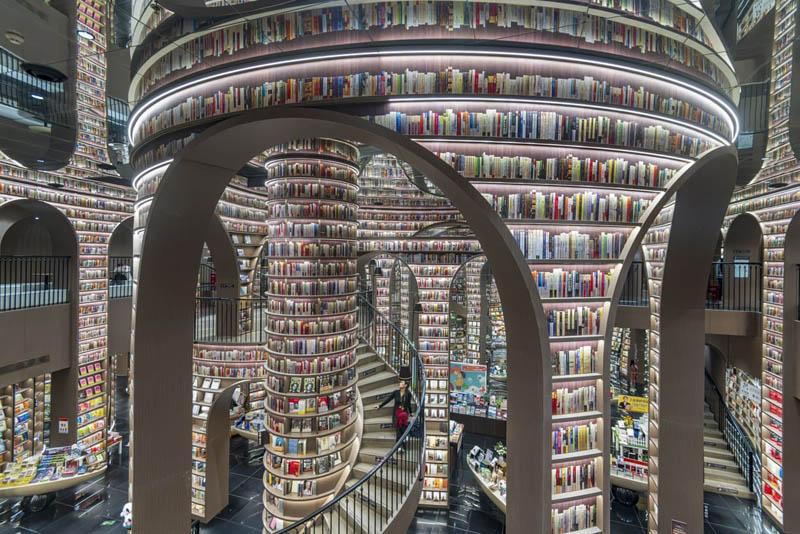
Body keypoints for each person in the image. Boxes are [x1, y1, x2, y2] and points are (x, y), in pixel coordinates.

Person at [375, 379, 412, 451]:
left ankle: (400, 447)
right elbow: (388, 399)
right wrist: (380, 405)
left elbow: (408, 404)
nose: (400, 383)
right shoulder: (396, 392)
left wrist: (410, 413)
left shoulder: (408, 394)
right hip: (396, 414)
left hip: (404, 414)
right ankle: (400, 447)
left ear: (405, 385)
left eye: (401, 383)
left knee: (403, 431)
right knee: (398, 430)